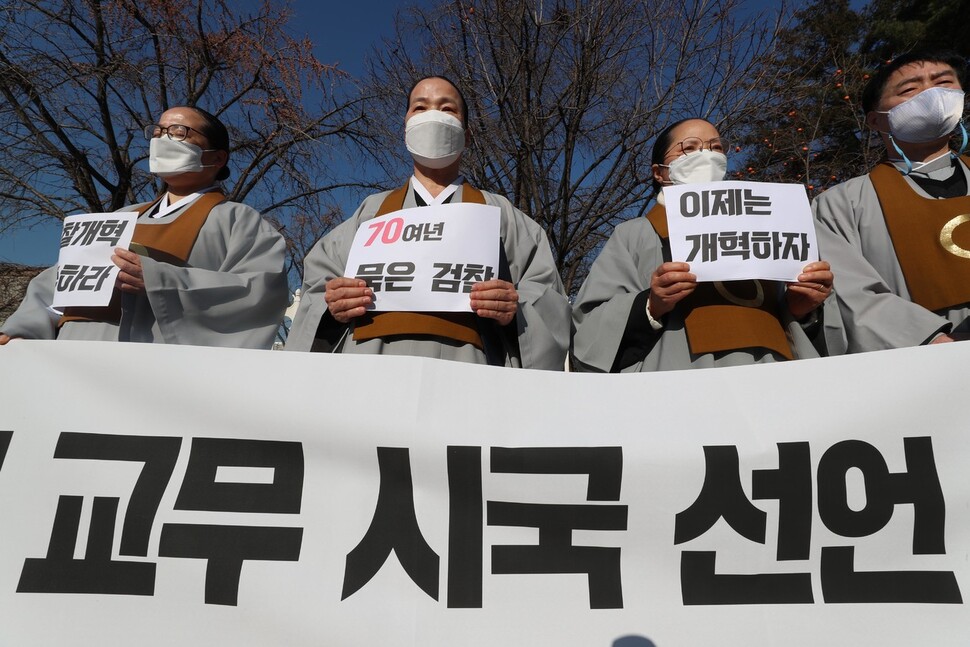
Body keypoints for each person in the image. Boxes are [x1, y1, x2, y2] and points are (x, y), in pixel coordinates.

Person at [286, 75, 569, 369]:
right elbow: (317, 290)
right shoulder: (370, 214)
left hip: (473, 373)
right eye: (420, 108)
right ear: (406, 128)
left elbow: (549, 300)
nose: (433, 115)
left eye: (447, 109)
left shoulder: (502, 215)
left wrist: (516, 308)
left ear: (467, 135)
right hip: (367, 369)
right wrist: (333, 304)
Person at [0, 106, 288, 348]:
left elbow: (260, 293)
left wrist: (160, 280)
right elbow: (62, 281)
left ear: (216, 156)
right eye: (158, 132)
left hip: (154, 363)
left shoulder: (239, 220)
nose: (163, 139)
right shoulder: (121, 216)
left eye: (178, 132)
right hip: (75, 352)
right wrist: (24, 329)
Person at [571, 118, 833, 372]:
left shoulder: (772, 227)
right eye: (689, 148)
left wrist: (800, 308)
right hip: (676, 381)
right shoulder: (635, 234)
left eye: (716, 148)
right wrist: (651, 305)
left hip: (775, 375)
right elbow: (588, 328)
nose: (706, 155)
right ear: (659, 172)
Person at [813, 50, 970, 352]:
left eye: (944, 83)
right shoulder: (840, 204)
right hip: (924, 359)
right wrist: (932, 340)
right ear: (876, 120)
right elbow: (850, 293)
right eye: (911, 89)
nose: (933, 94)